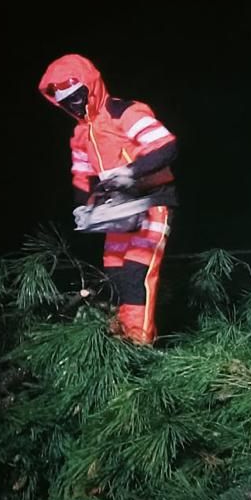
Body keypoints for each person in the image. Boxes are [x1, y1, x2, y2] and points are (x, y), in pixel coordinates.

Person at [38, 54, 179, 345]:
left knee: (136, 271)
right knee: (114, 273)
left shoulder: (124, 112)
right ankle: (121, 338)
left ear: (90, 88)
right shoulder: (80, 134)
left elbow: (166, 146)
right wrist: (82, 206)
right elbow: (82, 175)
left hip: (151, 202)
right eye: (66, 102)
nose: (73, 105)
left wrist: (131, 172)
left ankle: (140, 344)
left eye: (77, 97)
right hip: (118, 212)